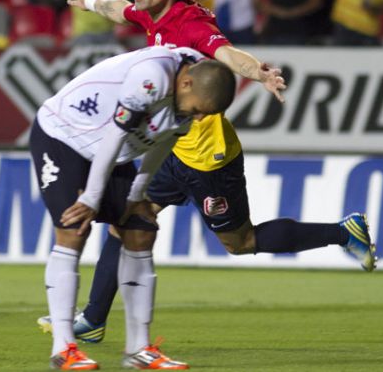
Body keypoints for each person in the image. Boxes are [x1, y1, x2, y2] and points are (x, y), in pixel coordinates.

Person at [38, 0, 377, 344]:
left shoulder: (190, 26)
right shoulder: (152, 12)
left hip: (207, 158)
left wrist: (259, 72)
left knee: (240, 241)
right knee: (125, 223)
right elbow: (119, 9)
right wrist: (90, 1)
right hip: (169, 147)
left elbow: (227, 53)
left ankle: (344, 232)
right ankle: (93, 319)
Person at [32, 43, 237, 370]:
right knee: (74, 228)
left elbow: (166, 138)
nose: (197, 117)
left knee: (141, 230)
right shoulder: (151, 78)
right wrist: (90, 197)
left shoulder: (197, 84)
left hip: (110, 152)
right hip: (65, 136)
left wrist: (137, 193)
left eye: (203, 114)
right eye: (197, 110)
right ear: (185, 84)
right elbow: (114, 136)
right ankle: (64, 349)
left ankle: (139, 350)